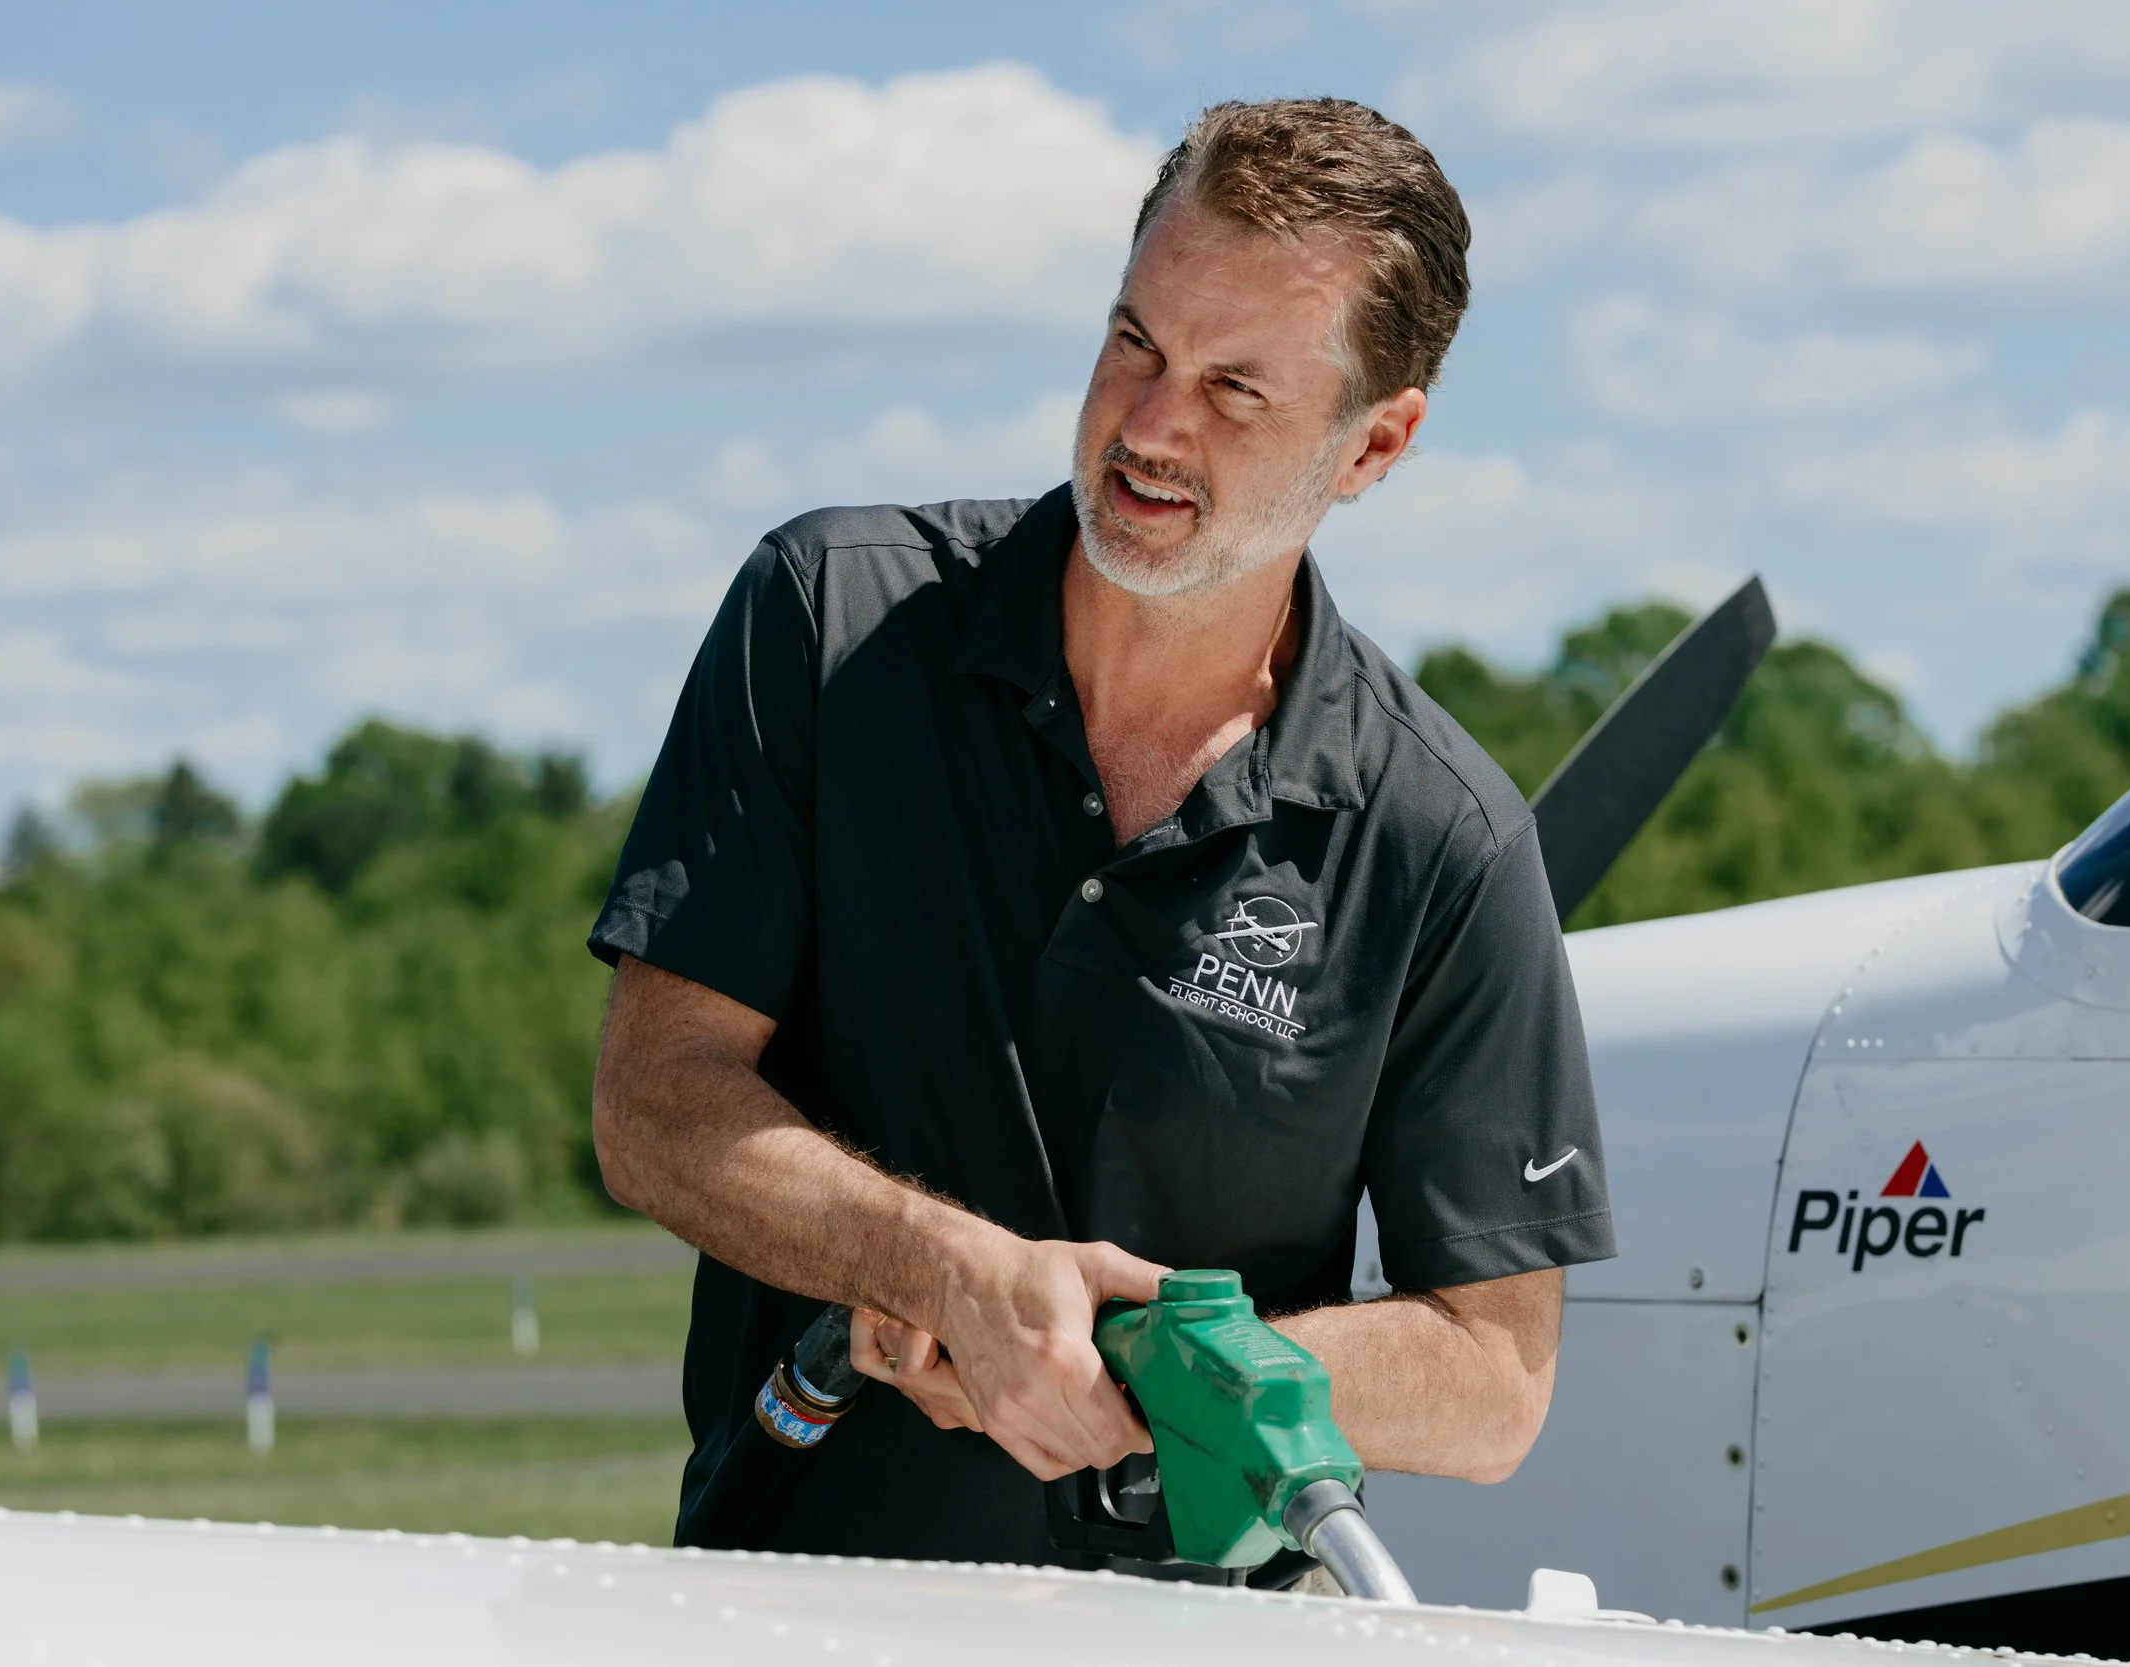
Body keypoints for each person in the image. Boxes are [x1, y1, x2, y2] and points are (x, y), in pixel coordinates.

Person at [588, 96, 1613, 1574]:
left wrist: (1146, 1374)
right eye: (1136, 341)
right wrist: (939, 1264)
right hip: (788, 1615)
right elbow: (652, 1101)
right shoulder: (827, 624)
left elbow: (1497, 1375)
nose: (1149, 424)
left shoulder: (1441, 840)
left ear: (1374, 445)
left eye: (1237, 391)